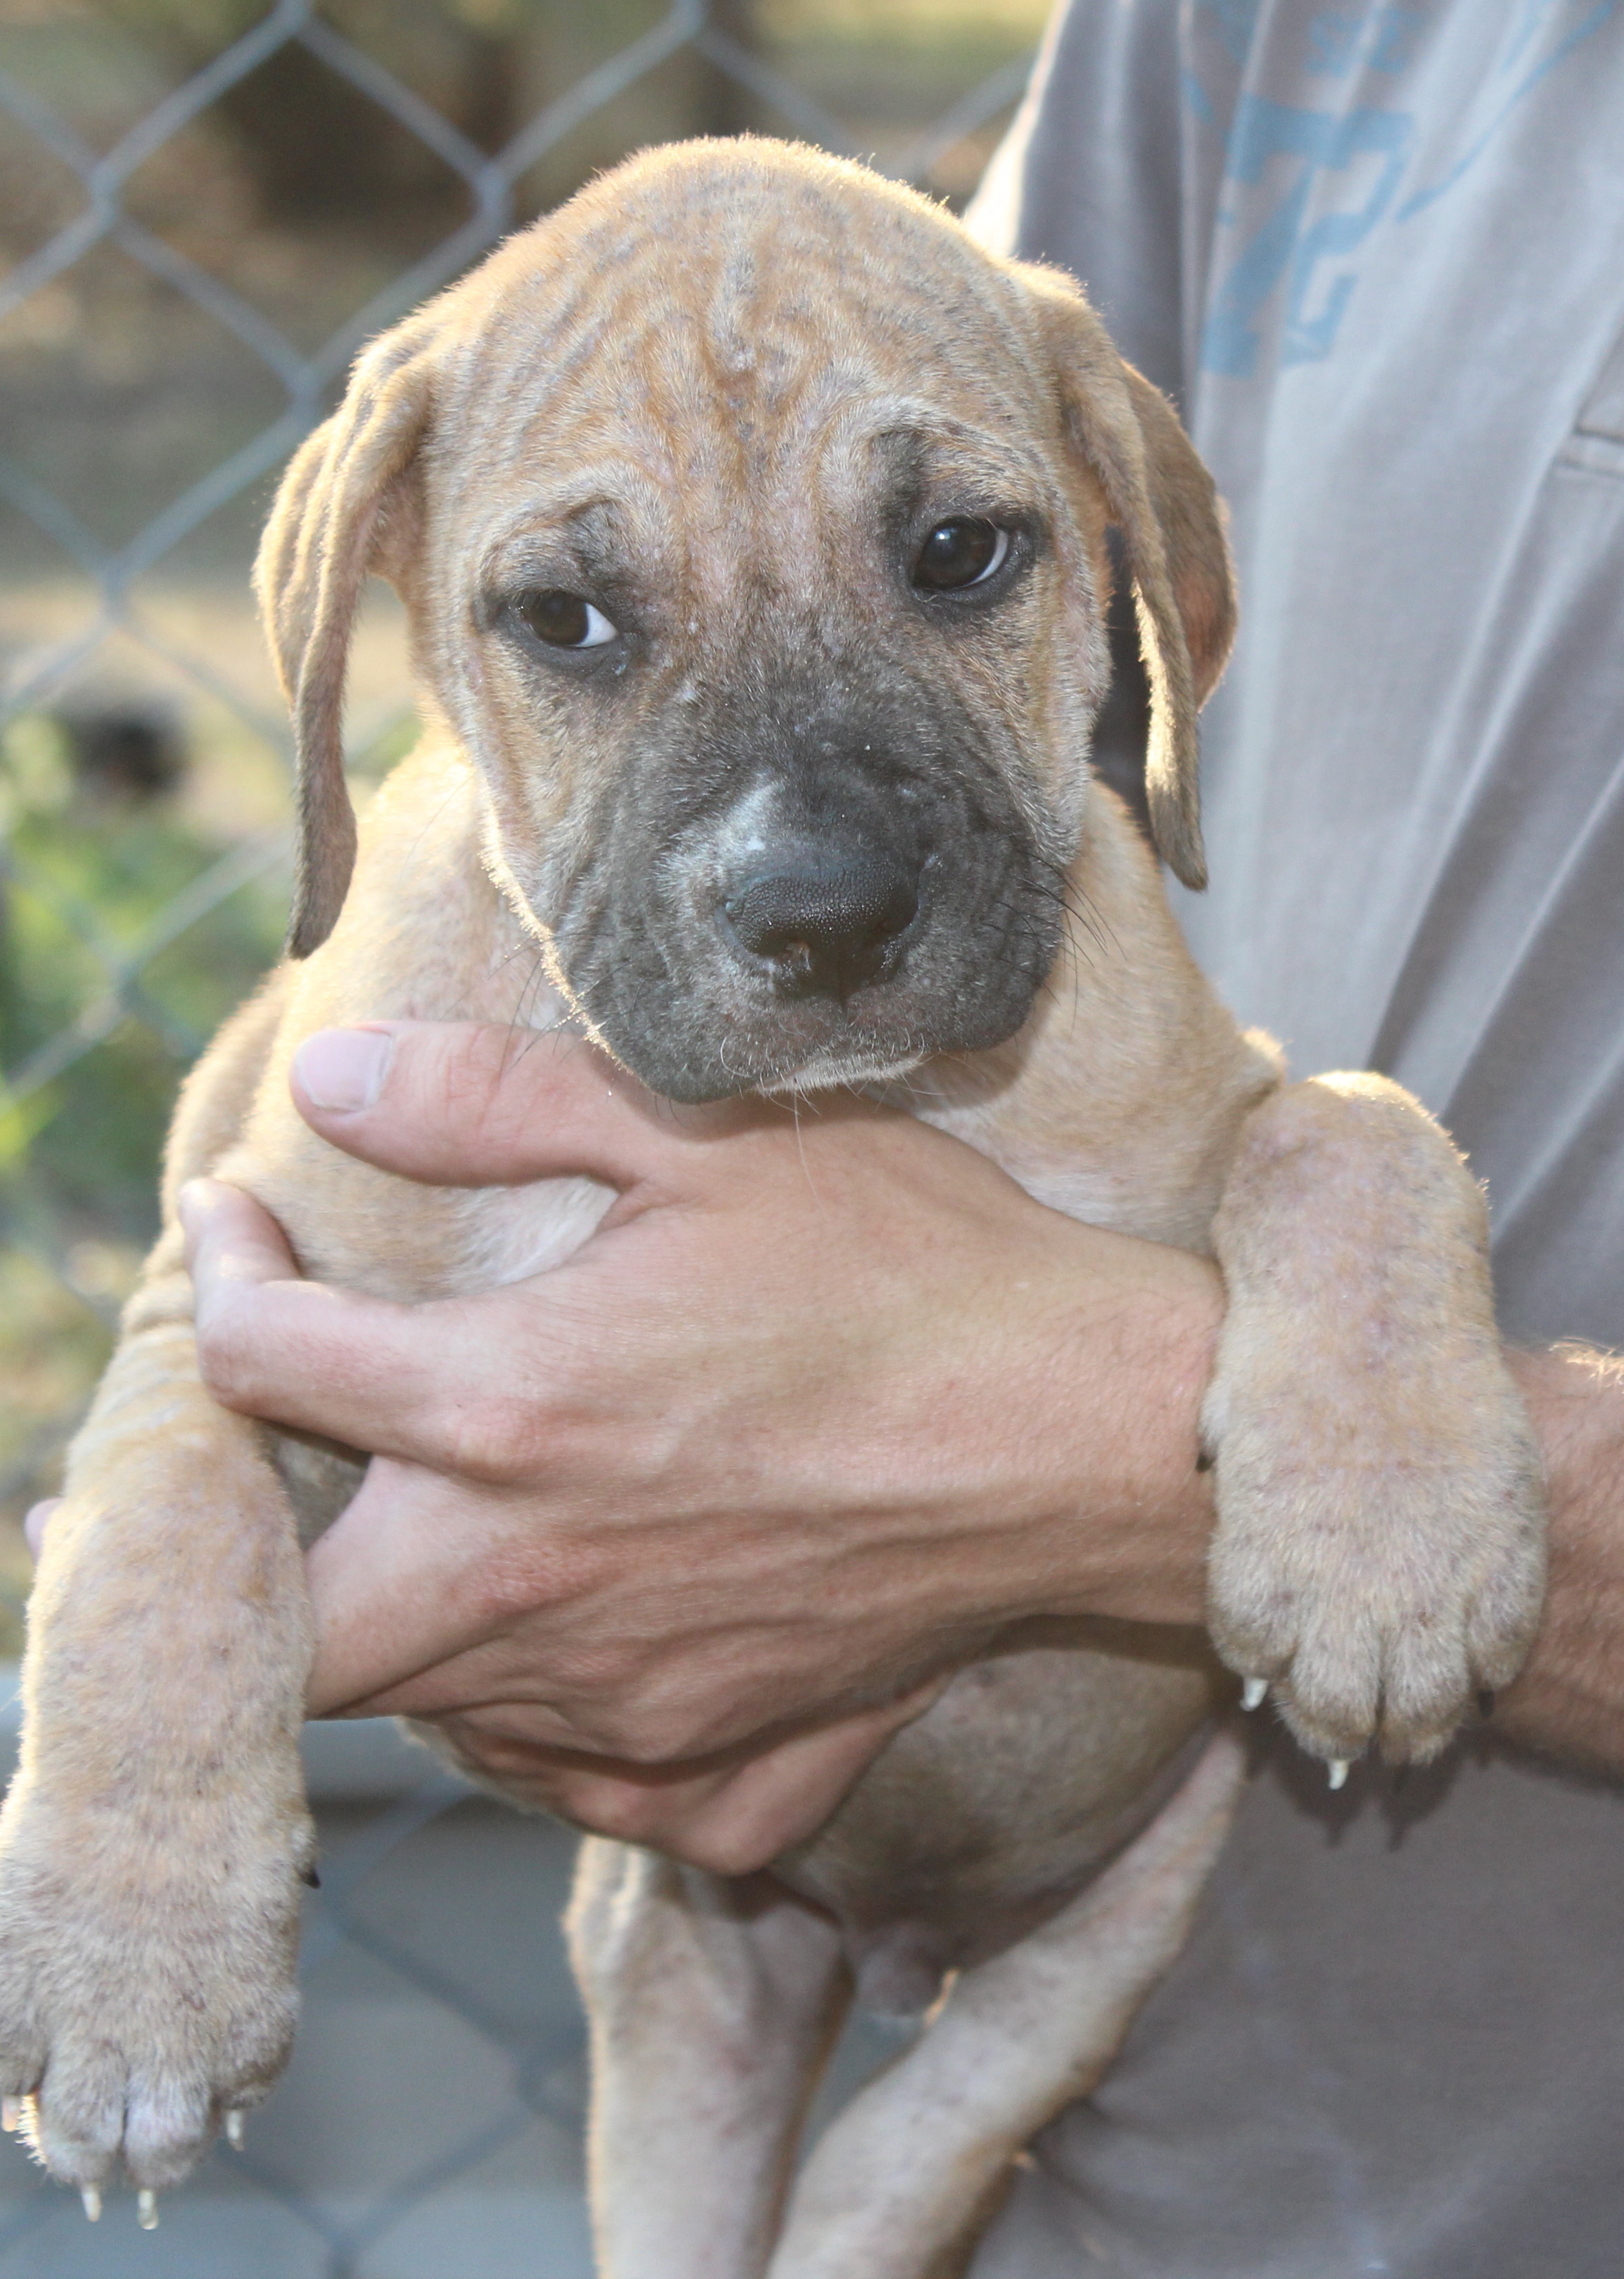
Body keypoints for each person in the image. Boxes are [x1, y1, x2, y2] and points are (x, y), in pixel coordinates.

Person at [169, 3, 1624, 2267]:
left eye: (951, 559)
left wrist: (1079, 1453)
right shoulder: (1220, 33)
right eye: (574, 616)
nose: (806, 862)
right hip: (1134, 2173)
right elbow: (801, 365)